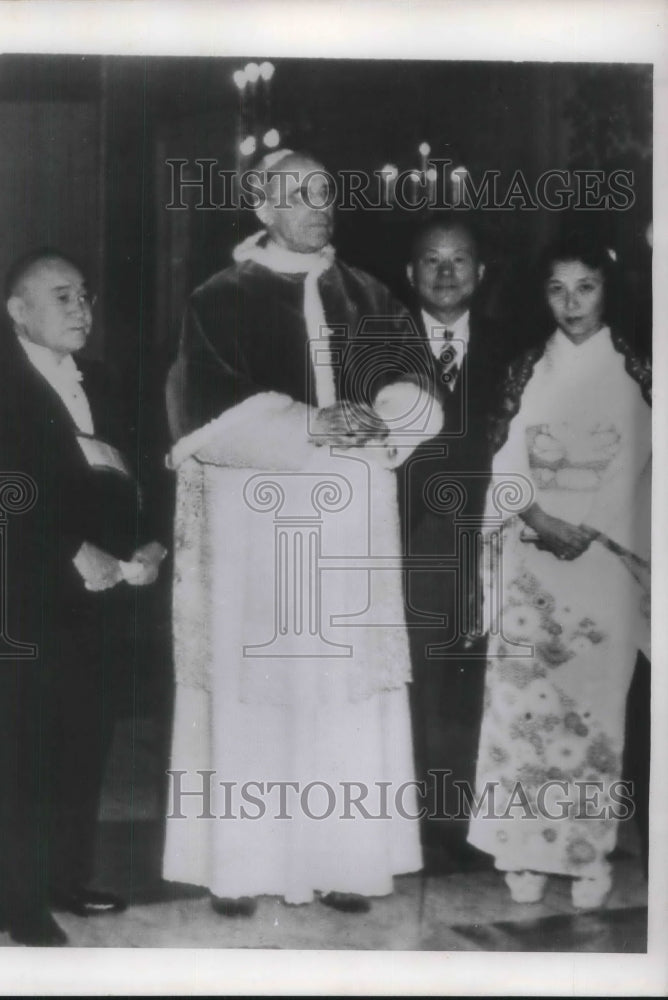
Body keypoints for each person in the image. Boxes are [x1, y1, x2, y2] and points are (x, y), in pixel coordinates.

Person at [162, 150, 443, 915]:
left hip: (349, 519)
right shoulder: (218, 299)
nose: (321, 203)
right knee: (259, 689)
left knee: (341, 688)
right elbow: (203, 419)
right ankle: (244, 865)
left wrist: (382, 409)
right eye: (300, 192)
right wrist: (307, 422)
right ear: (262, 206)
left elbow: (413, 385)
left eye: (326, 188)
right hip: (259, 519)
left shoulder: (372, 294)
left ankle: (345, 859)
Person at [467, 234, 651, 909]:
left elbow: (648, 468)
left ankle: (588, 855)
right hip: (531, 561)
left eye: (586, 287)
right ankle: (523, 852)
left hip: (605, 561)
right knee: (524, 711)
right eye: (556, 289)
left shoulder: (641, 370)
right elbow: (502, 464)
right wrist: (539, 517)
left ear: (609, 289)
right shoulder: (525, 370)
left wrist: (595, 524)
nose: (571, 303)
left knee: (592, 712)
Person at [0, 249, 167, 945]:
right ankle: (16, 898)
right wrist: (70, 549)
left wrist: (150, 542)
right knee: (27, 748)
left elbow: (142, 471)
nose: (83, 309)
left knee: (86, 740)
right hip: (30, 597)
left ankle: (66, 874)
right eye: (63, 297)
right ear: (18, 311)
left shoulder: (103, 379)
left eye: (85, 296)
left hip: (104, 596)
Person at [400, 213, 507, 871]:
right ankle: (409, 829)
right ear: (411, 274)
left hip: (488, 540)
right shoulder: (376, 346)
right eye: (432, 261)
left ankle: (461, 824)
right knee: (413, 683)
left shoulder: (517, 348)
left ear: (481, 273)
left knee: (472, 686)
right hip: (404, 543)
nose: (445, 273)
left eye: (459, 260)